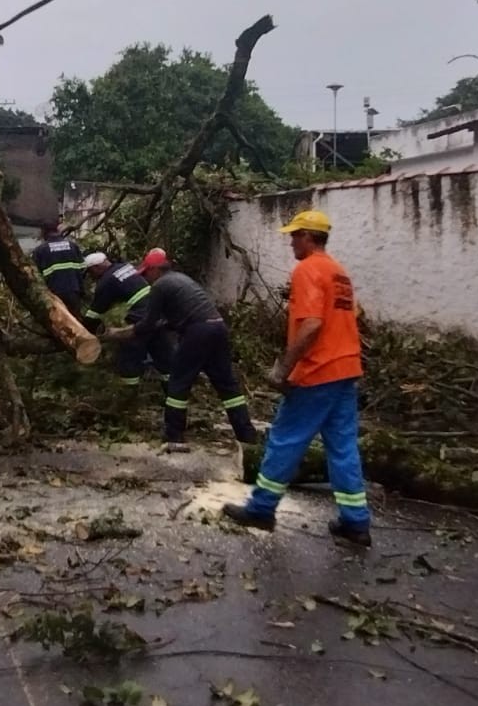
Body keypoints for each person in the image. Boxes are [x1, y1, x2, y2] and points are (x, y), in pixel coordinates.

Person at [222, 210, 371, 547]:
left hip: (318, 371)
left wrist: (283, 368)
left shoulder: (307, 269)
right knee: (343, 447)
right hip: (346, 369)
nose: (291, 242)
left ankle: (261, 509)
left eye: (294, 236)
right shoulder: (339, 272)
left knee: (285, 439)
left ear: (307, 236)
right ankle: (356, 522)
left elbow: (313, 324)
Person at [125, 248, 256, 449]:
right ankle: (246, 435)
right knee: (227, 385)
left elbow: (149, 323)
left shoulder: (160, 286)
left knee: (178, 381)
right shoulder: (181, 279)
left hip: (197, 332)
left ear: (154, 270)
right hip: (217, 326)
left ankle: (174, 435)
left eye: (146, 274)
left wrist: (127, 332)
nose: (146, 279)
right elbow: (177, 316)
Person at [81, 252, 174, 388]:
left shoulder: (106, 281)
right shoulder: (125, 266)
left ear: (96, 268)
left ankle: (129, 394)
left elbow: (95, 313)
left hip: (140, 317)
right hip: (157, 312)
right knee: (163, 354)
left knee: (129, 356)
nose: (91, 276)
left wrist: (85, 331)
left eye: (90, 272)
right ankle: (172, 393)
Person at [30, 221, 86, 317]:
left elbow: (35, 275)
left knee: (59, 322)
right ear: (58, 230)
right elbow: (83, 268)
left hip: (53, 293)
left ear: (43, 232)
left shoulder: (40, 250)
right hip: (74, 290)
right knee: (75, 320)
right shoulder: (72, 245)